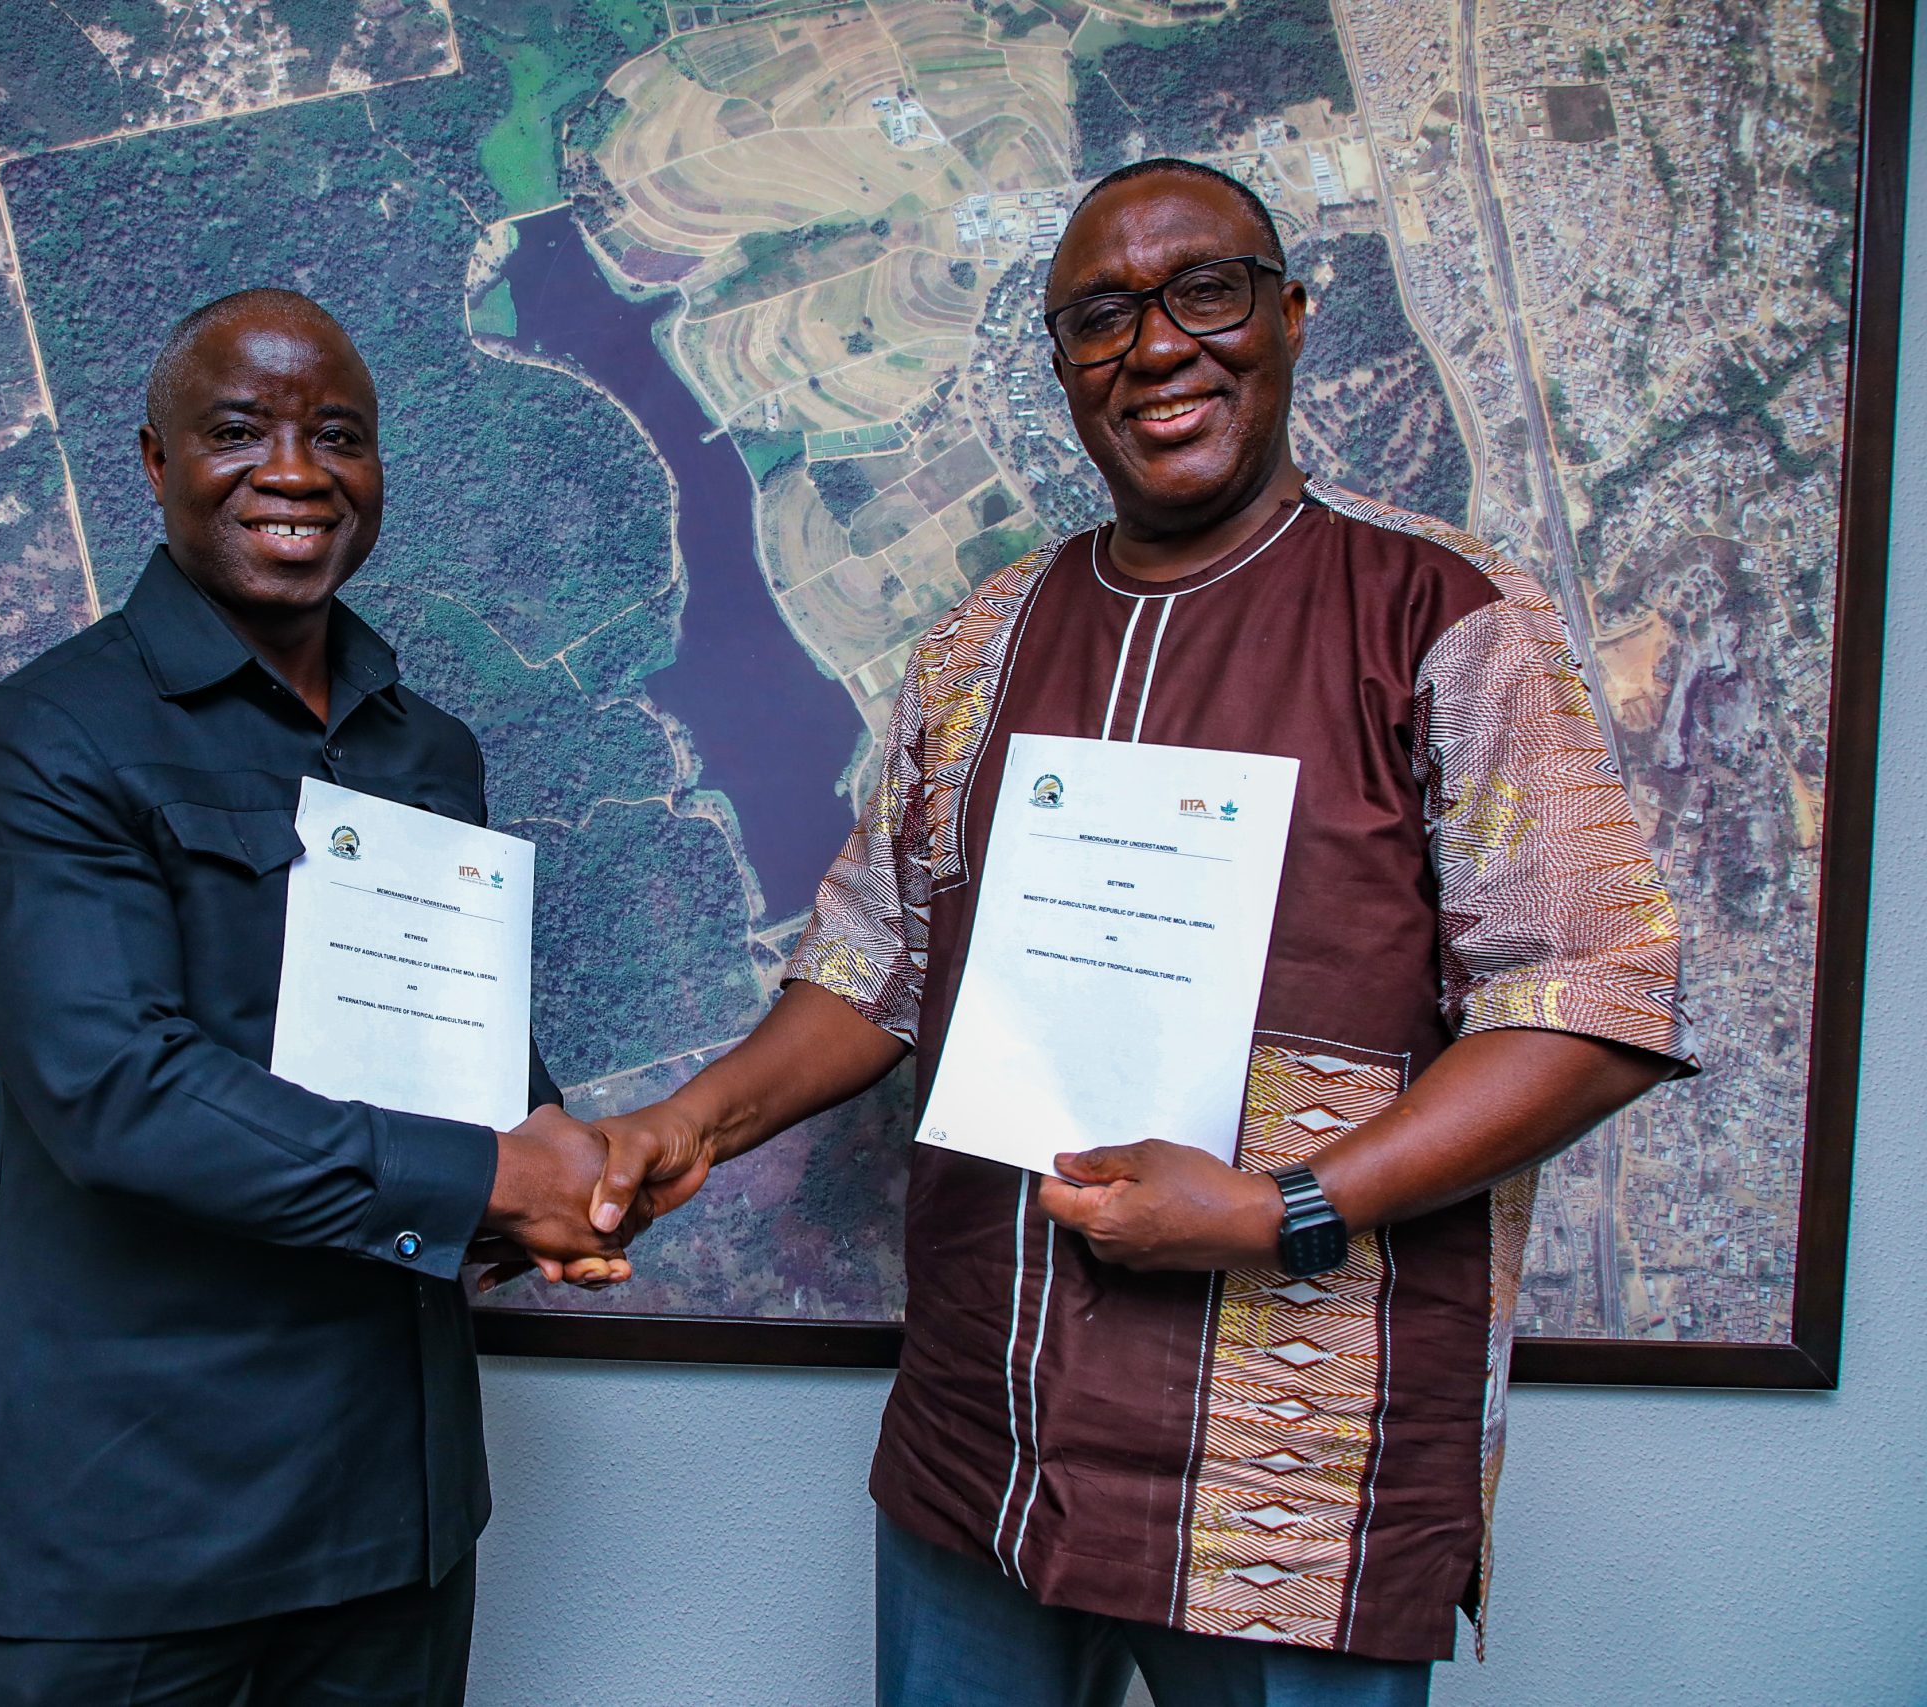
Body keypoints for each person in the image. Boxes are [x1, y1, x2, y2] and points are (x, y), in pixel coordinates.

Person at [581, 160, 1696, 1704]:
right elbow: (870, 963)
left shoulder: (1445, 614)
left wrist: (1279, 1208)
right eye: (1101, 315)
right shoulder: (981, 639)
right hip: (990, 1435)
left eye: (1207, 291)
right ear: (1061, 369)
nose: (1157, 345)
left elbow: (1596, 998)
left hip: (1279, 1483)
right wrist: (677, 1124)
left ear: (1293, 317)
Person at [0, 289, 630, 1706]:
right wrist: (495, 1173)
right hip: (131, 1530)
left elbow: (455, 1037)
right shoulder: (44, 736)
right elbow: (116, 1096)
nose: (295, 471)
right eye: (239, 432)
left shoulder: (430, 751)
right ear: (154, 462)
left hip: (393, 1521)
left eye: (338, 437)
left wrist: (566, 1162)